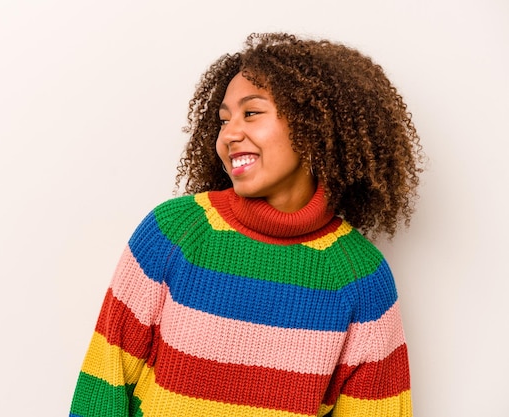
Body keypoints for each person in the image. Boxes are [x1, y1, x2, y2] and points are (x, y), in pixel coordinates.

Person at [69, 32, 424, 417]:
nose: (230, 134)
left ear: (315, 126)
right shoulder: (174, 233)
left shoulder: (360, 276)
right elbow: (103, 384)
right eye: (224, 120)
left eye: (251, 113)